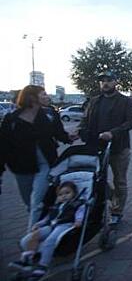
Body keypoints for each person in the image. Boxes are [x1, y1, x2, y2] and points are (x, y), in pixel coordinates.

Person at [0, 85, 75, 231]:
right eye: (44, 94)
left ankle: (30, 241)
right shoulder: (12, 119)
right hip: (21, 167)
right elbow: (3, 146)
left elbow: (59, 133)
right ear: (32, 97)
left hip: (46, 164)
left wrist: (69, 138)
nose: (47, 97)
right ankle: (42, 227)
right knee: (30, 204)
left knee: (37, 202)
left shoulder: (50, 114)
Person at [78, 71, 132, 225]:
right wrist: (79, 131)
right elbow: (85, 120)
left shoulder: (125, 101)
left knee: (120, 181)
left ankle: (117, 212)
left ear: (115, 82)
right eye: (102, 80)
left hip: (119, 148)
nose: (105, 83)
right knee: (96, 179)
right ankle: (114, 199)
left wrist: (113, 133)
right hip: (96, 148)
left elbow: (131, 122)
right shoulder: (94, 101)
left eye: (109, 80)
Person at [11, 181, 86, 278]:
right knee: (35, 235)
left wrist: (78, 220)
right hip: (52, 225)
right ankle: (28, 258)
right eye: (60, 194)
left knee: (50, 240)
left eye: (67, 193)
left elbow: (80, 214)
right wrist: (39, 224)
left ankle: (43, 265)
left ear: (74, 193)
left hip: (66, 225)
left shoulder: (77, 204)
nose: (64, 196)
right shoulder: (56, 205)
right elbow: (48, 218)